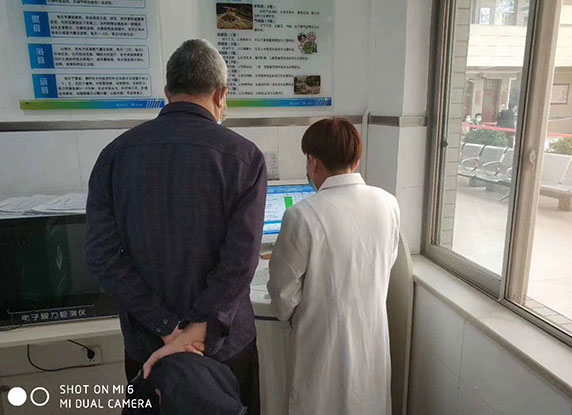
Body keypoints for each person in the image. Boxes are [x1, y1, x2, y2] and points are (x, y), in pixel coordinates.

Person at [85, 39, 266, 414]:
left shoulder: (114, 156)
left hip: (150, 348)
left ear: (167, 94)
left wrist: (167, 327)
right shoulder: (244, 158)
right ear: (221, 94)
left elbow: (103, 256)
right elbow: (241, 261)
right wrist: (199, 328)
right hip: (222, 348)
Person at [267, 118, 401, 415]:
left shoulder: (302, 215)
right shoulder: (388, 203)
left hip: (322, 346)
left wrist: (289, 312)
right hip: (371, 341)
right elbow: (385, 264)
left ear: (313, 162)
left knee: (321, 402)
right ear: (356, 160)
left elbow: (283, 294)